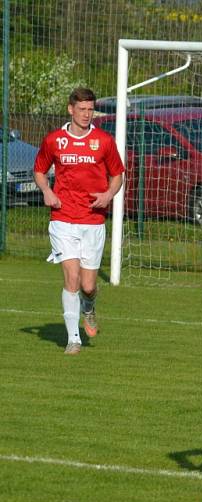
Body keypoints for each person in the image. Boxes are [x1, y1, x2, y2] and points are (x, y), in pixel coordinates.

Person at [33, 87, 125, 355]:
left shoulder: (104, 141)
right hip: (63, 218)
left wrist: (108, 194)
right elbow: (39, 170)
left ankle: (89, 305)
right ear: (70, 109)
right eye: (82, 110)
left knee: (88, 285)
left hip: (93, 221)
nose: (87, 115)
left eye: (90, 110)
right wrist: (47, 191)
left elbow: (117, 174)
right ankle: (73, 339)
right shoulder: (54, 141)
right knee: (71, 279)